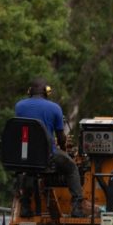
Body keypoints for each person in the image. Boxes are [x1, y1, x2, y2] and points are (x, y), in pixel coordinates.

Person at [15, 78, 85, 217]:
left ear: (29, 92)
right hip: (48, 156)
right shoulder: (54, 108)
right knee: (71, 167)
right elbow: (61, 137)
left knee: (30, 169)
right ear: (47, 92)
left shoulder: (19, 106)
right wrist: (64, 148)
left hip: (25, 156)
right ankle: (77, 206)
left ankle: (25, 205)